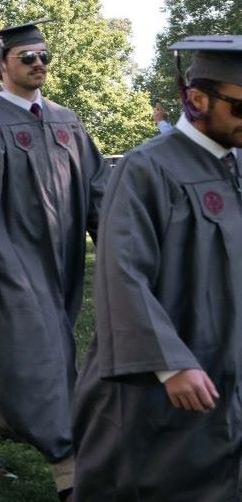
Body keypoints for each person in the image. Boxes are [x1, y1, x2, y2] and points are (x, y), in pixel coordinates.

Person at [72, 36, 242, 500]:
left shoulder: (235, 166)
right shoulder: (147, 169)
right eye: (240, 108)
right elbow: (121, 273)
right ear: (197, 99)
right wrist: (170, 365)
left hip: (227, 363)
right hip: (161, 381)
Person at [0, 22, 106, 497]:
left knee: (23, 356)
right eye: (26, 57)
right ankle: (70, 475)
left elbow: (97, 187)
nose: (38, 64)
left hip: (62, 261)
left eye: (43, 57)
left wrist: (117, 241)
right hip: (9, 262)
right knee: (48, 362)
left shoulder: (67, 120)